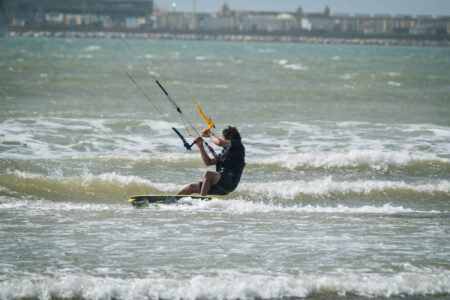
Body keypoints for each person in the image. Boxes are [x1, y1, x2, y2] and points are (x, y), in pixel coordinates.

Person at [177, 126, 245, 196]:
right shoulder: (224, 152)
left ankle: (201, 199)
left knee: (208, 174)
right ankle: (174, 199)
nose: (222, 138)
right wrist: (201, 146)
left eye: (222, 137)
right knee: (191, 187)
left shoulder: (237, 145)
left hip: (230, 181)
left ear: (229, 137)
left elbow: (219, 142)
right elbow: (208, 162)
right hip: (220, 185)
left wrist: (210, 134)